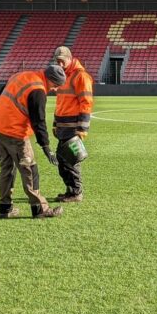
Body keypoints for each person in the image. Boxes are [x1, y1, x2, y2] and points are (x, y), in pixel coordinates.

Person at [0, 65, 66, 218]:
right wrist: (46, 147)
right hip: (15, 132)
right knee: (29, 169)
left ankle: (5, 209)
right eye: (55, 85)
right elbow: (39, 121)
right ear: (49, 80)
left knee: (6, 169)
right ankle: (40, 209)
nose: (55, 90)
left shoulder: (21, 75)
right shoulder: (38, 90)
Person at [52, 46, 94, 203]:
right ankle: (70, 191)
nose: (59, 64)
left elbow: (86, 102)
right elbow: (60, 102)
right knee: (62, 160)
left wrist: (82, 129)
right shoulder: (62, 76)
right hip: (63, 127)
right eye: (57, 61)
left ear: (70, 59)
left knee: (71, 160)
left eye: (62, 61)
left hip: (73, 128)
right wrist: (56, 124)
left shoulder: (81, 76)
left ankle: (76, 192)